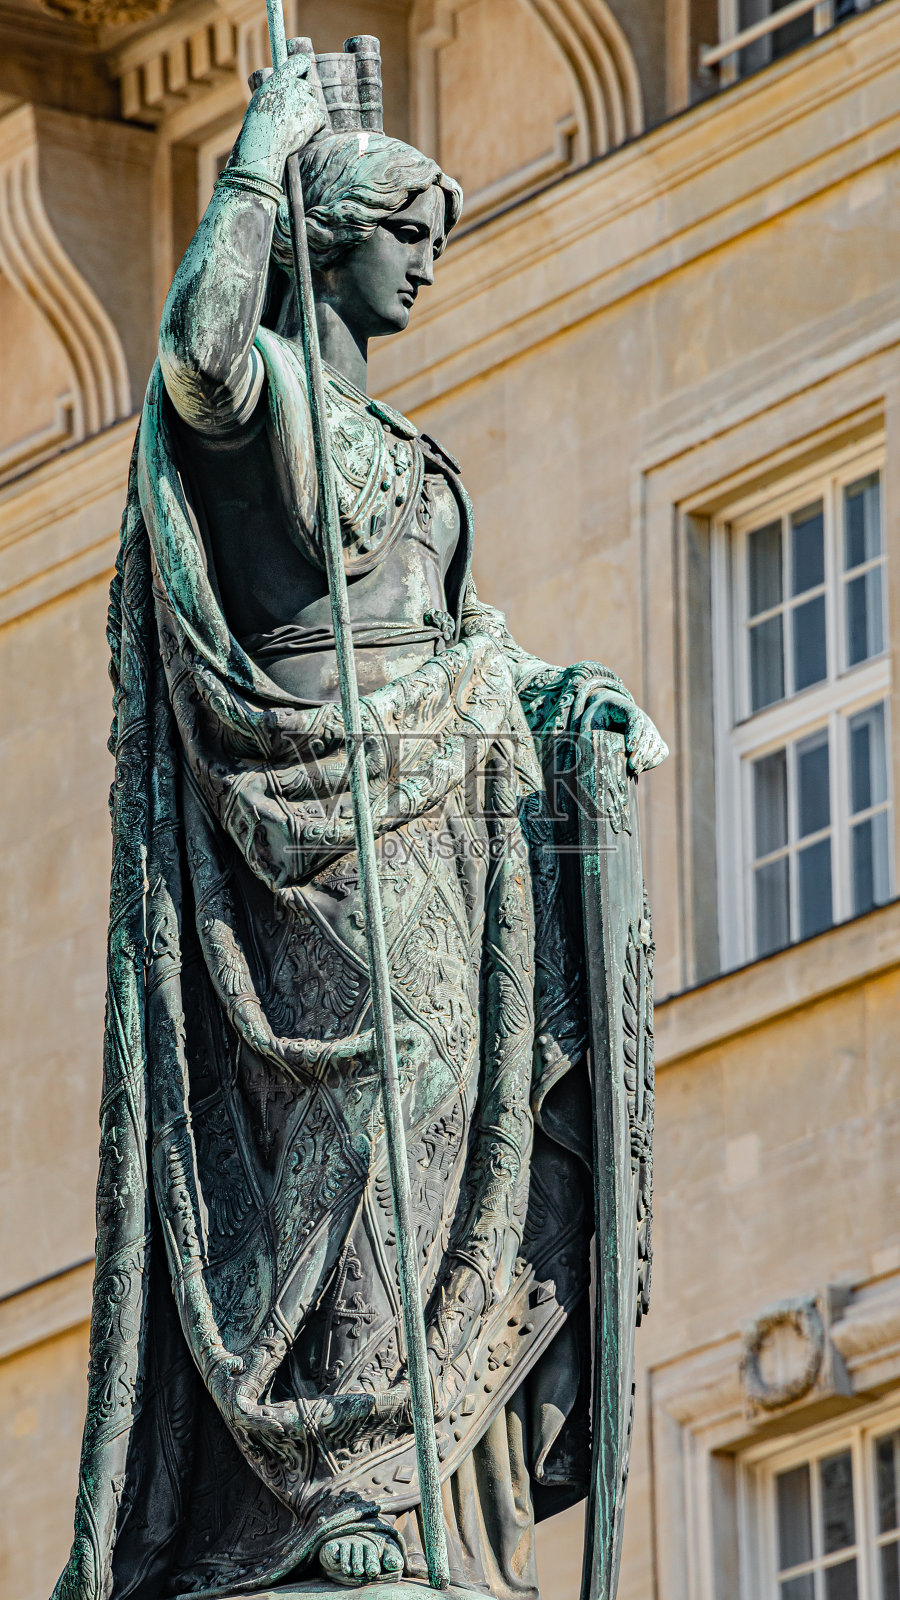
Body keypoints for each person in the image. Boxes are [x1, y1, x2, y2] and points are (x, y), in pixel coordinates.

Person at [54, 40, 666, 1600]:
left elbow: (456, 635)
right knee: (375, 1085)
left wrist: (558, 697)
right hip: (307, 805)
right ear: (328, 233)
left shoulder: (408, 447)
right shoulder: (263, 405)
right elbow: (194, 355)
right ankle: (313, 1460)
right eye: (407, 234)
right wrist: (260, 142)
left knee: (455, 1101)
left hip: (438, 802)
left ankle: (389, 1468)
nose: (426, 266)